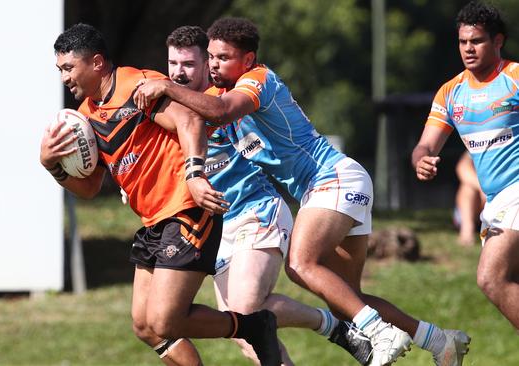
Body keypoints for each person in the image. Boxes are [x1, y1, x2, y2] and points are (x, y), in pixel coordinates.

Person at [135, 17, 470, 366]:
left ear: (247, 59)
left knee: (300, 264)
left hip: (332, 178)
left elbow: (218, 112)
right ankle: (439, 341)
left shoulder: (257, 80)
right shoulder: (219, 92)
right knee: (347, 298)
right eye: (212, 58)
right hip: (329, 187)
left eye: (221, 58)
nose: (214, 65)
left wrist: (165, 87)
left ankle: (381, 332)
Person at [40, 23, 283, 366]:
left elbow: (190, 123)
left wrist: (196, 175)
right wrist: (54, 166)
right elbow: (90, 188)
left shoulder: (136, 86)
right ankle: (252, 326)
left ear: (96, 63)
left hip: (185, 209)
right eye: (60, 70)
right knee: (146, 326)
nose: (64, 78)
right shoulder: (86, 117)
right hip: (154, 220)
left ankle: (254, 326)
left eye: (68, 68)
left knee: (166, 320)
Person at [163, 25, 372, 365]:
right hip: (216, 228)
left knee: (245, 310)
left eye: (189, 64)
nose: (178, 73)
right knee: (240, 329)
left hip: (254, 210)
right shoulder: (172, 106)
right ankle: (338, 326)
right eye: (172, 64)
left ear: (208, 64)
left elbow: (224, 115)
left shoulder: (228, 97)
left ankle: (336, 325)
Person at [412, 0, 519, 330]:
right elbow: (426, 144)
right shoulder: (451, 92)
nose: (468, 49)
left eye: (477, 41)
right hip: (494, 201)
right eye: (463, 42)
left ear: (497, 41)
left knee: (491, 278)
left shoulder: (514, 77)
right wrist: (421, 161)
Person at [453, 152, 486, 246]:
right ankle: (467, 230)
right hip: (480, 203)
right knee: (468, 187)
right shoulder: (479, 142)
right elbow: (462, 167)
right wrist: (484, 189)